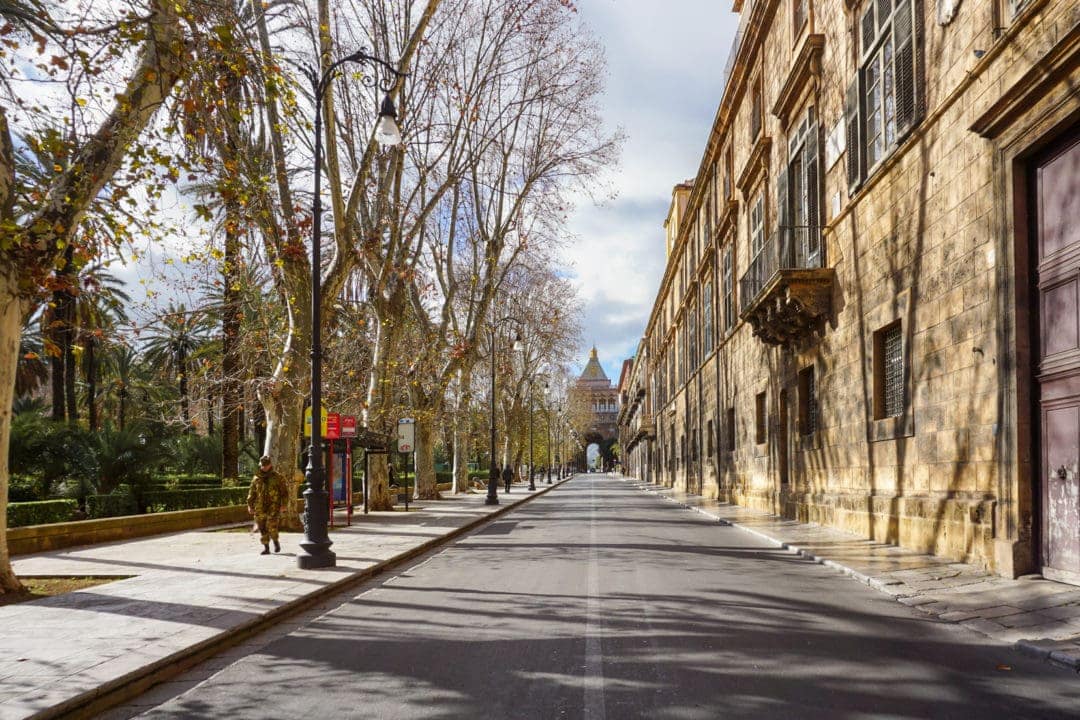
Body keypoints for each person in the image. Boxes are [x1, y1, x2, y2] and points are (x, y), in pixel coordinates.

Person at [248, 455, 288, 555]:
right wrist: (250, 505)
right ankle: (266, 548)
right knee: (262, 528)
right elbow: (251, 493)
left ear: (270, 464)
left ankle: (275, 541)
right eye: (262, 465)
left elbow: (284, 492)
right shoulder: (256, 478)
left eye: (266, 465)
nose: (264, 467)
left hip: (273, 506)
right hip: (259, 507)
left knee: (272, 526)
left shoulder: (278, 477)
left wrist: (284, 505)